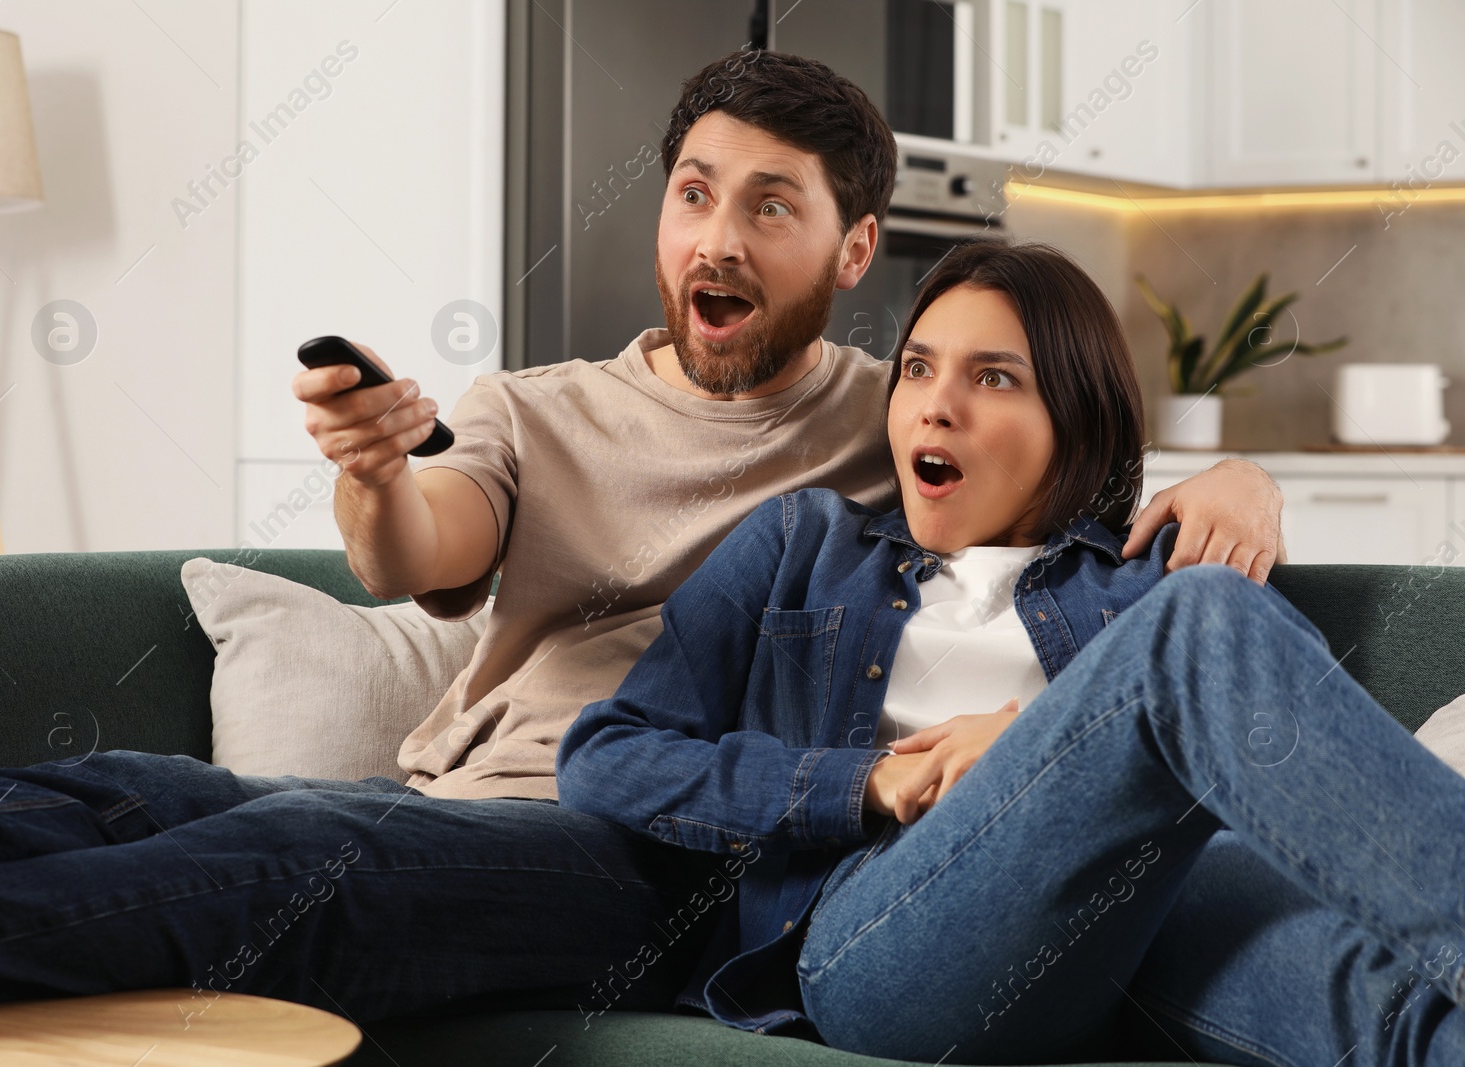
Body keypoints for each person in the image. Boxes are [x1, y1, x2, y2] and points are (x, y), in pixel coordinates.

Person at [0, 52, 1286, 1023]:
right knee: (155, 789)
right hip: (452, 791)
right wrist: (371, 466)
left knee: (303, 847)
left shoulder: (901, 408)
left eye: (770, 206)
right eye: (695, 194)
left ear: (855, 253)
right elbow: (423, 548)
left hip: (643, 849)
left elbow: (1067, 496)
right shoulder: (535, 411)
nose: (716, 240)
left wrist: (1245, 476)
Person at [555, 239, 1465, 1067]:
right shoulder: (802, 544)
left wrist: (1035, 741)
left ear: (1074, 417)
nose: (937, 407)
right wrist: (864, 781)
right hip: (880, 937)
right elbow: (606, 758)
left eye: (993, 379)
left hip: (1142, 930)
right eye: (917, 369)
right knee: (1204, 618)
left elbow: (1269, 769)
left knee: (1411, 1021)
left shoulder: (1142, 583)